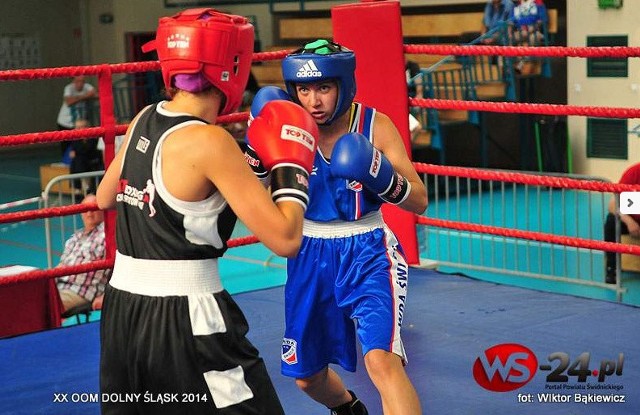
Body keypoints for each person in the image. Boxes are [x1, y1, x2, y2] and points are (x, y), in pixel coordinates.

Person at [96, 8, 318, 415]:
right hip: (187, 317)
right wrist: (292, 168)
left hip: (122, 309)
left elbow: (104, 197)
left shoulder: (144, 118)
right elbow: (286, 238)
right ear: (233, 64)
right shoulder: (212, 143)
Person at [275, 39, 428, 415]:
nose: (314, 100)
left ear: (344, 85)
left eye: (324, 88)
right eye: (304, 89)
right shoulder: (289, 128)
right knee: (307, 377)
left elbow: (419, 199)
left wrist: (383, 177)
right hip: (309, 253)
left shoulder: (375, 125)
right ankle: (348, 409)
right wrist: (257, 161)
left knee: (382, 362)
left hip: (368, 251)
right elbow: (259, 200)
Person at [56, 194, 109, 312]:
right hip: (61, 285)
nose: (89, 213)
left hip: (82, 291)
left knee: (45, 306)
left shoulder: (107, 235)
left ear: (101, 209)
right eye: (85, 209)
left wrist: (106, 295)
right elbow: (61, 264)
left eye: (93, 208)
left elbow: (116, 267)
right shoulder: (74, 237)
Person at [604, 162, 640, 284]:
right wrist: (629, 221)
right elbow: (612, 204)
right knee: (611, 222)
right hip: (632, 219)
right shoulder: (634, 172)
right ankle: (611, 268)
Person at [56, 75, 97, 156]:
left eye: (82, 81)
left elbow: (96, 94)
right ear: (73, 81)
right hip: (65, 122)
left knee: (80, 145)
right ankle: (66, 164)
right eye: (78, 81)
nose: (80, 83)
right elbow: (69, 101)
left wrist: (78, 98)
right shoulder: (69, 88)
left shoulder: (87, 87)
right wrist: (85, 96)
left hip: (79, 124)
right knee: (65, 146)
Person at [69, 118, 104, 193]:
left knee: (78, 159)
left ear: (88, 127)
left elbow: (88, 150)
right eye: (78, 127)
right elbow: (77, 149)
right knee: (77, 160)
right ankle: (80, 186)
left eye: (83, 126)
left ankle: (81, 186)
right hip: (82, 162)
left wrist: (77, 152)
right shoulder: (75, 139)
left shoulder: (94, 137)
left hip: (93, 160)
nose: (81, 129)